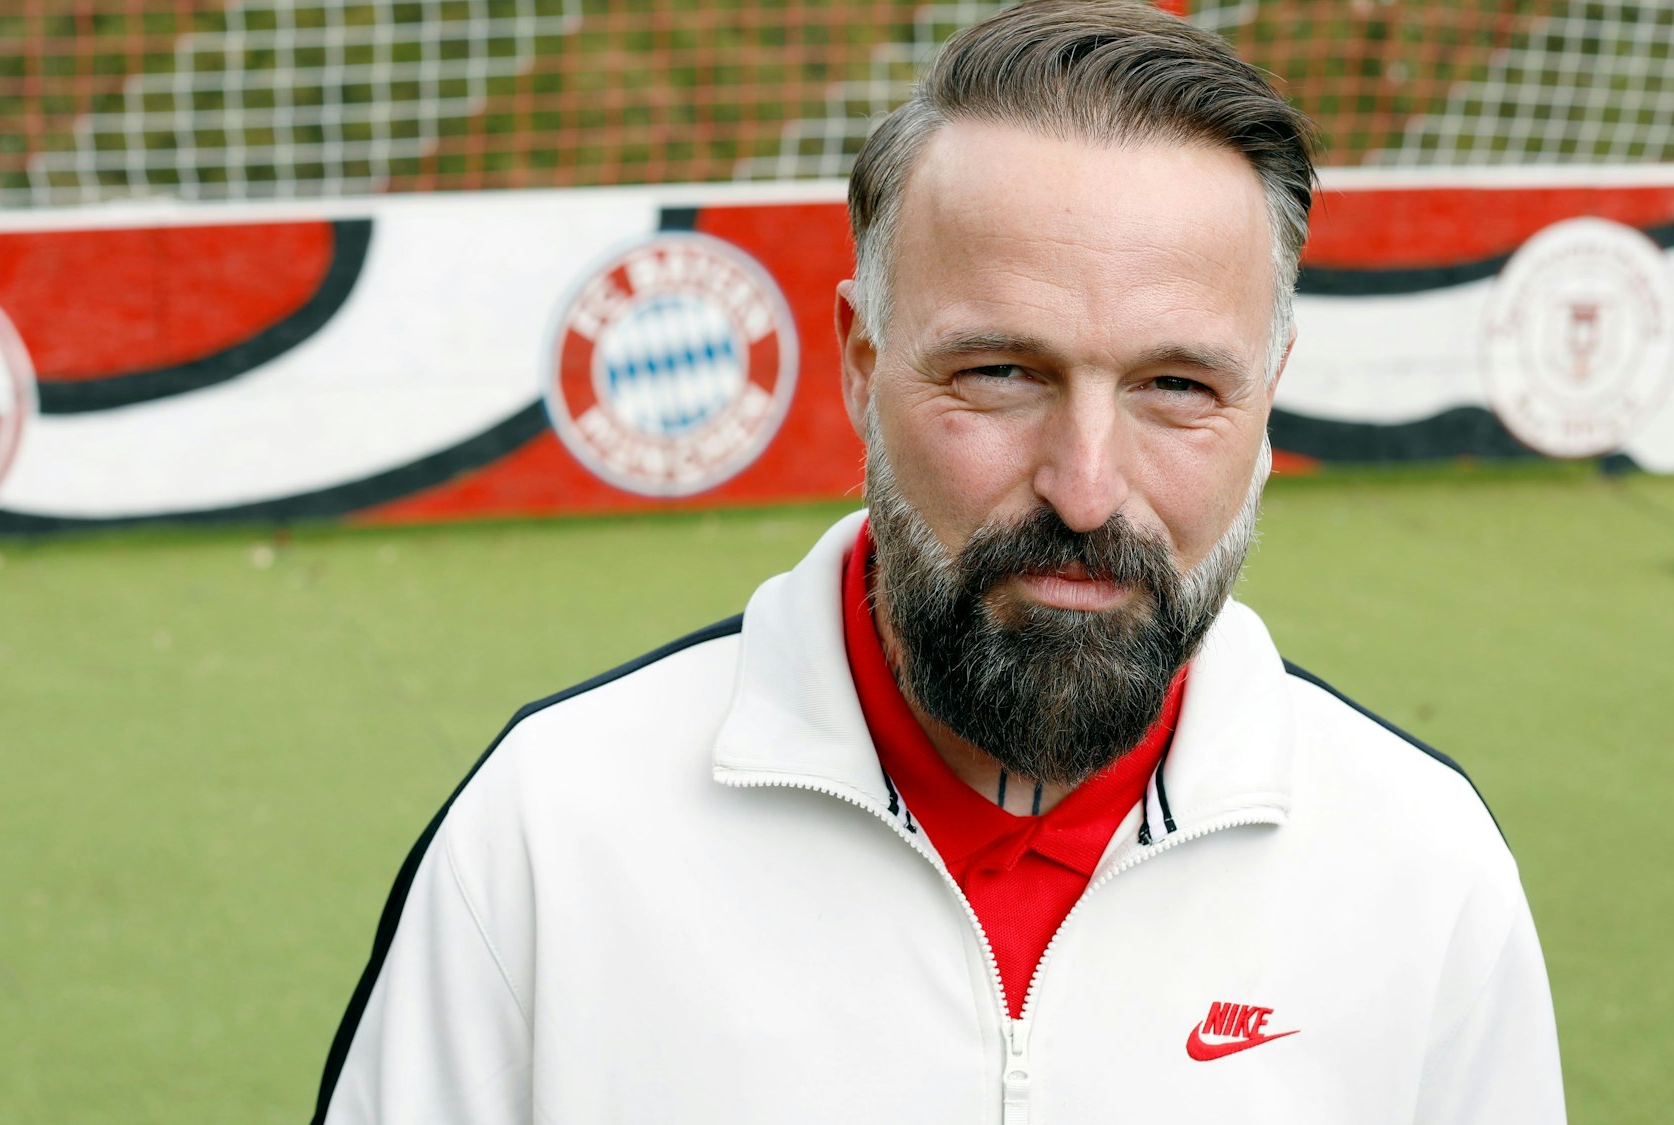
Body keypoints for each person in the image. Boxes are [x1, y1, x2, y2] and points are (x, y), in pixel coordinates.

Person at [310, 2, 1564, 1121]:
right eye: (1000, 374)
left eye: (1175, 387)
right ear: (862, 365)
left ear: (1267, 401)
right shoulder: (550, 836)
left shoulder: (1421, 871)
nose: (1084, 488)